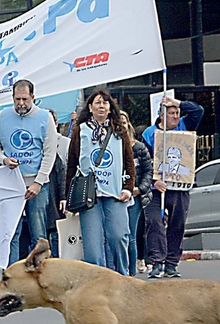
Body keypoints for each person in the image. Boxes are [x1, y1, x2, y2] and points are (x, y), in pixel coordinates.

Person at [0, 79, 58, 266]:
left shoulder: (45, 117)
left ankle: (40, 277)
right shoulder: (2, 116)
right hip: (11, 183)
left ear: (33, 97)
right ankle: (8, 276)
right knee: (11, 233)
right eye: (17, 99)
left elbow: (49, 153)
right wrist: (3, 159)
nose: (21, 103)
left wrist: (38, 182)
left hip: (36, 184)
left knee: (38, 234)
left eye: (25, 99)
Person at [65, 89, 135, 275]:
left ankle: (122, 275)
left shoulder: (120, 131)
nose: (101, 106)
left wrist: (128, 188)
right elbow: (72, 163)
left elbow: (129, 160)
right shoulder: (82, 130)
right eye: (97, 102)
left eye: (105, 103)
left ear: (111, 108)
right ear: (90, 107)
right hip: (89, 194)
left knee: (119, 236)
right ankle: (96, 280)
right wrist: (68, 197)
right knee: (93, 244)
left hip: (115, 192)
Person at [142, 95, 204, 278]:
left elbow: (198, 110)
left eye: (177, 113)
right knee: (154, 222)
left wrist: (177, 102)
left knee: (177, 224)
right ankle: (156, 261)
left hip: (180, 187)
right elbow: (145, 162)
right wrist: (154, 181)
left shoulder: (184, 126)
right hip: (157, 189)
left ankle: (171, 263)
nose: (176, 116)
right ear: (162, 115)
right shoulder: (149, 133)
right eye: (171, 113)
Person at [120, 110, 153, 277]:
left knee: (130, 235)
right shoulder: (111, 146)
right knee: (117, 236)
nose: (121, 126)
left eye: (124, 122)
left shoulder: (138, 148)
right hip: (115, 197)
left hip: (135, 197)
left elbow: (148, 171)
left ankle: (130, 273)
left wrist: (140, 189)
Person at [45, 110, 68, 258]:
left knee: (54, 233)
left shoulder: (63, 144)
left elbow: (62, 174)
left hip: (53, 199)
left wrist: (63, 197)